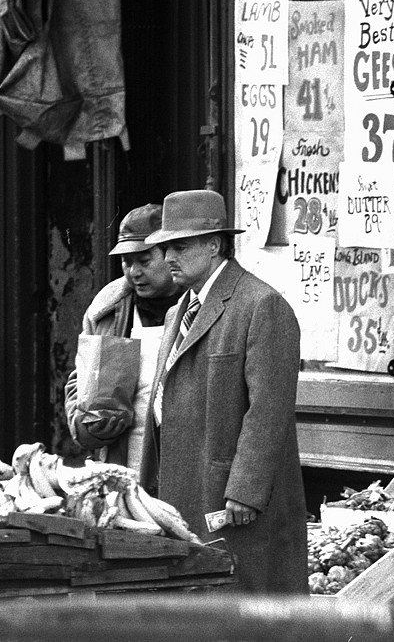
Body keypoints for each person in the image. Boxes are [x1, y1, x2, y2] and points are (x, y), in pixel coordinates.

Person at [140, 189, 307, 594]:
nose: (168, 259)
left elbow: (269, 408)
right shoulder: (177, 311)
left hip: (230, 500)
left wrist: (245, 492)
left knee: (245, 609)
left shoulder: (261, 304)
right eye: (164, 248)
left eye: (179, 246)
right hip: (181, 490)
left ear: (214, 245)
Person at [65, 204, 182, 471]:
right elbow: (80, 381)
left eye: (144, 260)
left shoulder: (197, 304)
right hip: (123, 462)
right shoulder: (107, 307)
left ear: (171, 254)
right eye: (126, 262)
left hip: (180, 462)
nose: (134, 272)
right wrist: (88, 427)